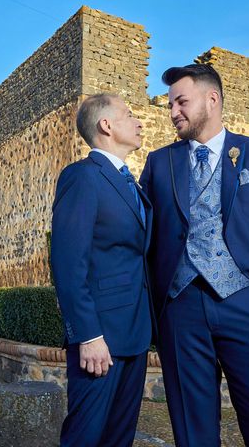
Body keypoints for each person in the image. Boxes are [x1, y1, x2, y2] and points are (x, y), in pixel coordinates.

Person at [139, 63, 249, 446]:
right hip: (181, 312)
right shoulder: (159, 162)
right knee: (191, 432)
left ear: (212, 99)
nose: (173, 113)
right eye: (170, 104)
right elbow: (141, 239)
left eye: (181, 102)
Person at [51, 93, 153, 446]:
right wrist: (88, 336)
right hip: (101, 341)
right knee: (86, 437)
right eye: (129, 115)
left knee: (118, 439)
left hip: (135, 335)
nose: (139, 122)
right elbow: (67, 264)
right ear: (106, 125)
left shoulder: (133, 185)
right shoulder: (82, 177)